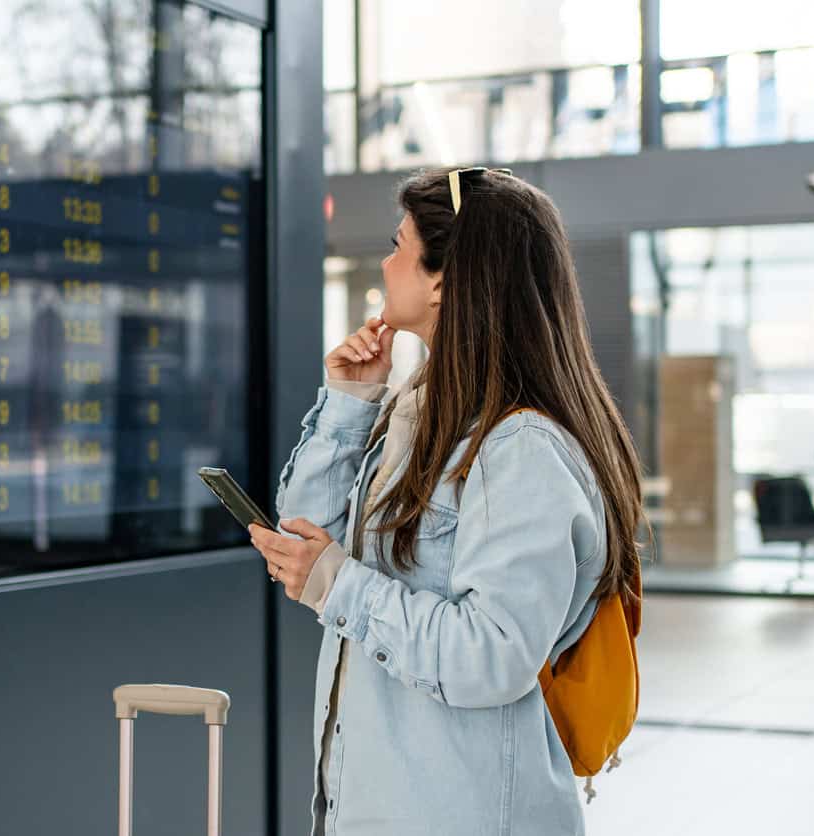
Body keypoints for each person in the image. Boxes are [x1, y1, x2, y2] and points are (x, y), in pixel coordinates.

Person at [248, 167, 646, 835]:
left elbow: (490, 654)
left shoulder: (520, 448)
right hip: (376, 802)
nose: (386, 260)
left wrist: (339, 586)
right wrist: (349, 403)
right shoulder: (418, 412)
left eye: (399, 244)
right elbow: (306, 531)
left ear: (442, 278)